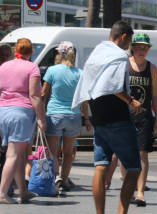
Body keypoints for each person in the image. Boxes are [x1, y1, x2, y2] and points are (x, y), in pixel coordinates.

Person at [71, 21, 142, 214]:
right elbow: (115, 86)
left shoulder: (97, 52)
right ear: (123, 37)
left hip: (98, 116)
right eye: (129, 40)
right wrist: (132, 101)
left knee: (100, 167)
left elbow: (88, 84)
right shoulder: (119, 56)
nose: (129, 45)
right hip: (118, 117)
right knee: (133, 167)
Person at [41, 41, 92, 196]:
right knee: (69, 153)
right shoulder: (80, 73)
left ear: (59, 54)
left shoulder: (51, 70)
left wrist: (40, 114)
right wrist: (87, 119)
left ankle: (56, 176)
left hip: (55, 114)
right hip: (73, 116)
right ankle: (64, 179)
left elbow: (44, 94)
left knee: (52, 151)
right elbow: (84, 99)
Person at [0, 38, 46, 204]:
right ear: (31, 51)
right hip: (21, 113)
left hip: (3, 111)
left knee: (18, 155)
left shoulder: (4, 66)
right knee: (13, 154)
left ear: (15, 51)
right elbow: (34, 95)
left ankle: (23, 192)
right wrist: (41, 118)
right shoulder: (32, 67)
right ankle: (3, 192)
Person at [127, 33, 157, 207]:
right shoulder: (125, 65)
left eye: (145, 47)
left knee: (142, 154)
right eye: (139, 47)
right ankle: (130, 189)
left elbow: (155, 94)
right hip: (125, 116)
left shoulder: (151, 68)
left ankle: (140, 192)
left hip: (145, 116)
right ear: (132, 47)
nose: (142, 50)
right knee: (125, 154)